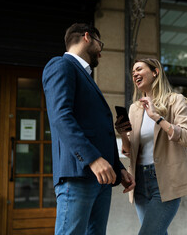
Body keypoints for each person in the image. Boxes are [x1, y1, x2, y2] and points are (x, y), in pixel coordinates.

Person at [42, 23, 135, 235]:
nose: (101, 53)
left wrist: (118, 167)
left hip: (103, 178)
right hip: (78, 175)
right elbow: (61, 117)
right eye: (100, 44)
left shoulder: (86, 76)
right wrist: (93, 159)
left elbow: (97, 129)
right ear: (87, 37)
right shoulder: (61, 65)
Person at [116, 58, 187, 235]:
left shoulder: (176, 101)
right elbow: (130, 151)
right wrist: (123, 134)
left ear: (155, 72)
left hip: (166, 180)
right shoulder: (134, 109)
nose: (135, 73)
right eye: (133, 72)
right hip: (140, 180)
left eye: (139, 69)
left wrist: (157, 118)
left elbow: (186, 138)